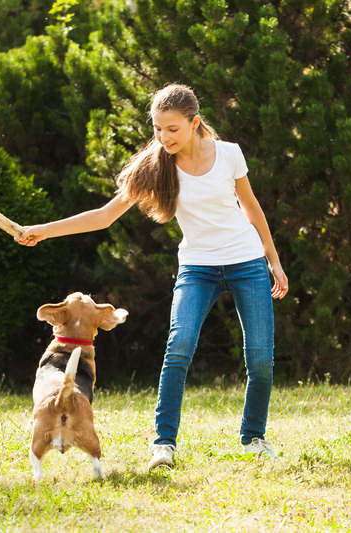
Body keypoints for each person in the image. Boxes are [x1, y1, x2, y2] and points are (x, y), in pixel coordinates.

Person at [15, 83, 289, 470]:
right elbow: (104, 215)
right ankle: (164, 444)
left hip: (247, 261)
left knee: (260, 357)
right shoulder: (156, 165)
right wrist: (43, 229)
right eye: (158, 129)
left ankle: (253, 437)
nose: (164, 137)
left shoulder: (228, 155)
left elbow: (253, 209)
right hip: (197, 266)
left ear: (194, 123)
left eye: (172, 129)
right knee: (179, 347)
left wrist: (272, 260)